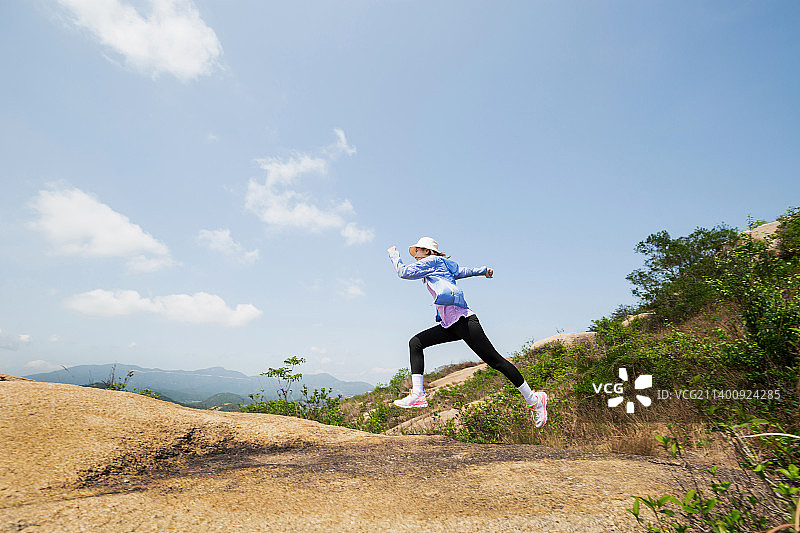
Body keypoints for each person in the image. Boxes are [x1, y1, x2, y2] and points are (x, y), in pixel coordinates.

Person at [387, 236, 548, 428]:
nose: (416, 256)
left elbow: (403, 272)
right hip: (450, 324)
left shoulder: (432, 262)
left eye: (418, 252)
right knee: (416, 343)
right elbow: (462, 271)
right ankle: (418, 394)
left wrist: (393, 254)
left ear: (427, 251)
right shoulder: (441, 265)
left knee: (496, 361)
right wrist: (483, 270)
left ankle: (534, 400)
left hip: (463, 321)